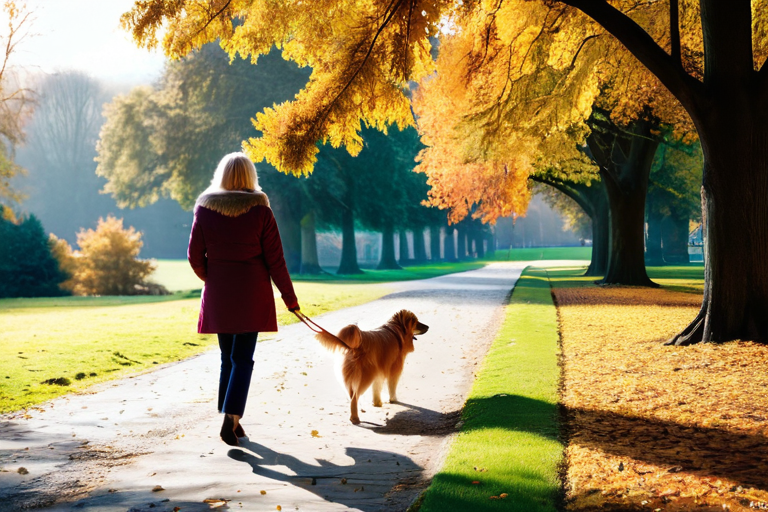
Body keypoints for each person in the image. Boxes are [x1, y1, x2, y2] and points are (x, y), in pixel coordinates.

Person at [187, 152, 299, 446]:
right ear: (251, 176)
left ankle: (231, 419)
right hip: (252, 294)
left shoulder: (205, 209)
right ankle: (231, 417)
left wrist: (211, 279)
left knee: (228, 357)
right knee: (242, 359)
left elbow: (194, 256)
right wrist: (290, 299)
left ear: (221, 175)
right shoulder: (261, 211)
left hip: (220, 294)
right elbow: (276, 261)